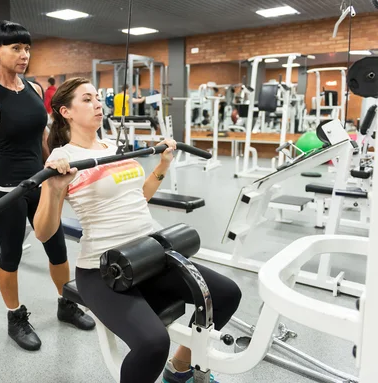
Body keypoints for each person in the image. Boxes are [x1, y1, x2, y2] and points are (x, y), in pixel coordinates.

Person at [33, 77, 242, 383]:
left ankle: (180, 366)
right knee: (152, 343)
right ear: (66, 112)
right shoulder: (61, 159)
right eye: (87, 99)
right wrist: (53, 189)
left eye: (97, 98)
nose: (97, 105)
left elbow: (139, 198)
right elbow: (42, 231)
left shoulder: (112, 147)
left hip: (148, 255)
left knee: (226, 294)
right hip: (104, 269)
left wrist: (162, 166)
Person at [0, 21, 95, 352]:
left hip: (41, 184)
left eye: (27, 48)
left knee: (57, 250)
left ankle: (66, 304)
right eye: (16, 48)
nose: (24, 54)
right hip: (9, 191)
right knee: (9, 257)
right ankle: (15, 317)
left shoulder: (35, 90)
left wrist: (55, 170)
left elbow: (42, 138)